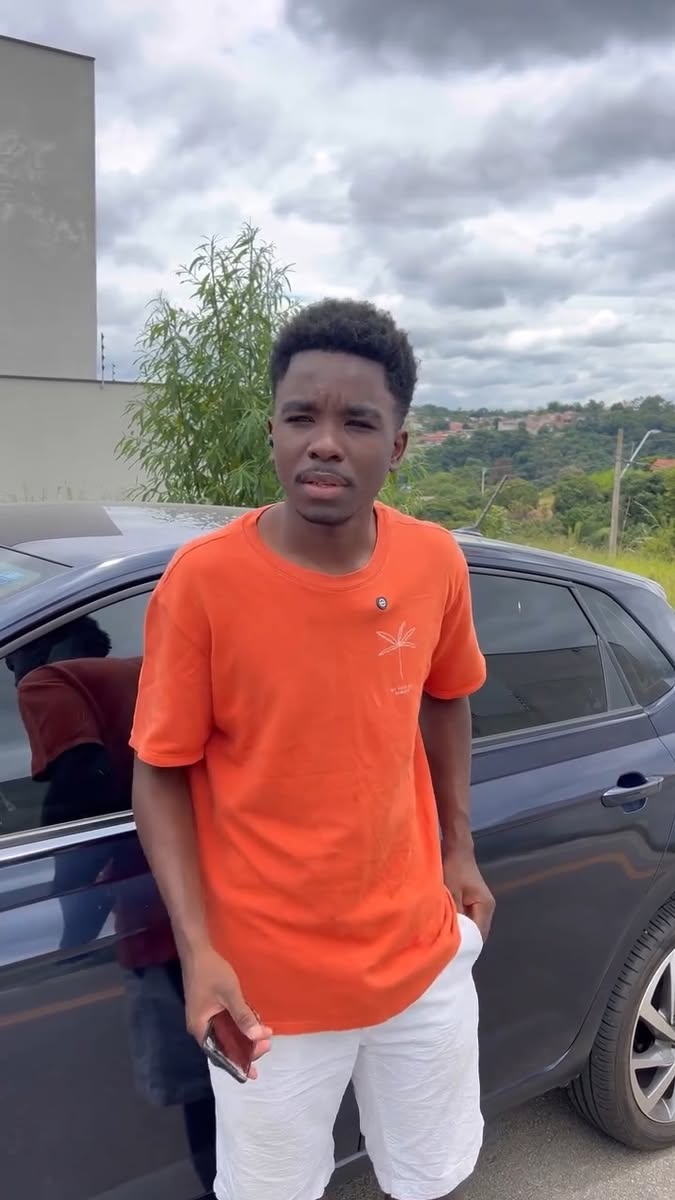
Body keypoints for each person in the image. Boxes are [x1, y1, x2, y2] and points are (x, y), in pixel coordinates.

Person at [130, 297, 495, 1200]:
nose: (324, 443)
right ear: (273, 433)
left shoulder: (433, 562)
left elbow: (447, 696)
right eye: (301, 417)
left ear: (396, 447)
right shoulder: (204, 583)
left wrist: (458, 847)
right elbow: (160, 769)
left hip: (420, 963)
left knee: (431, 1178)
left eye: (356, 423)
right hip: (264, 992)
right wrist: (199, 950)